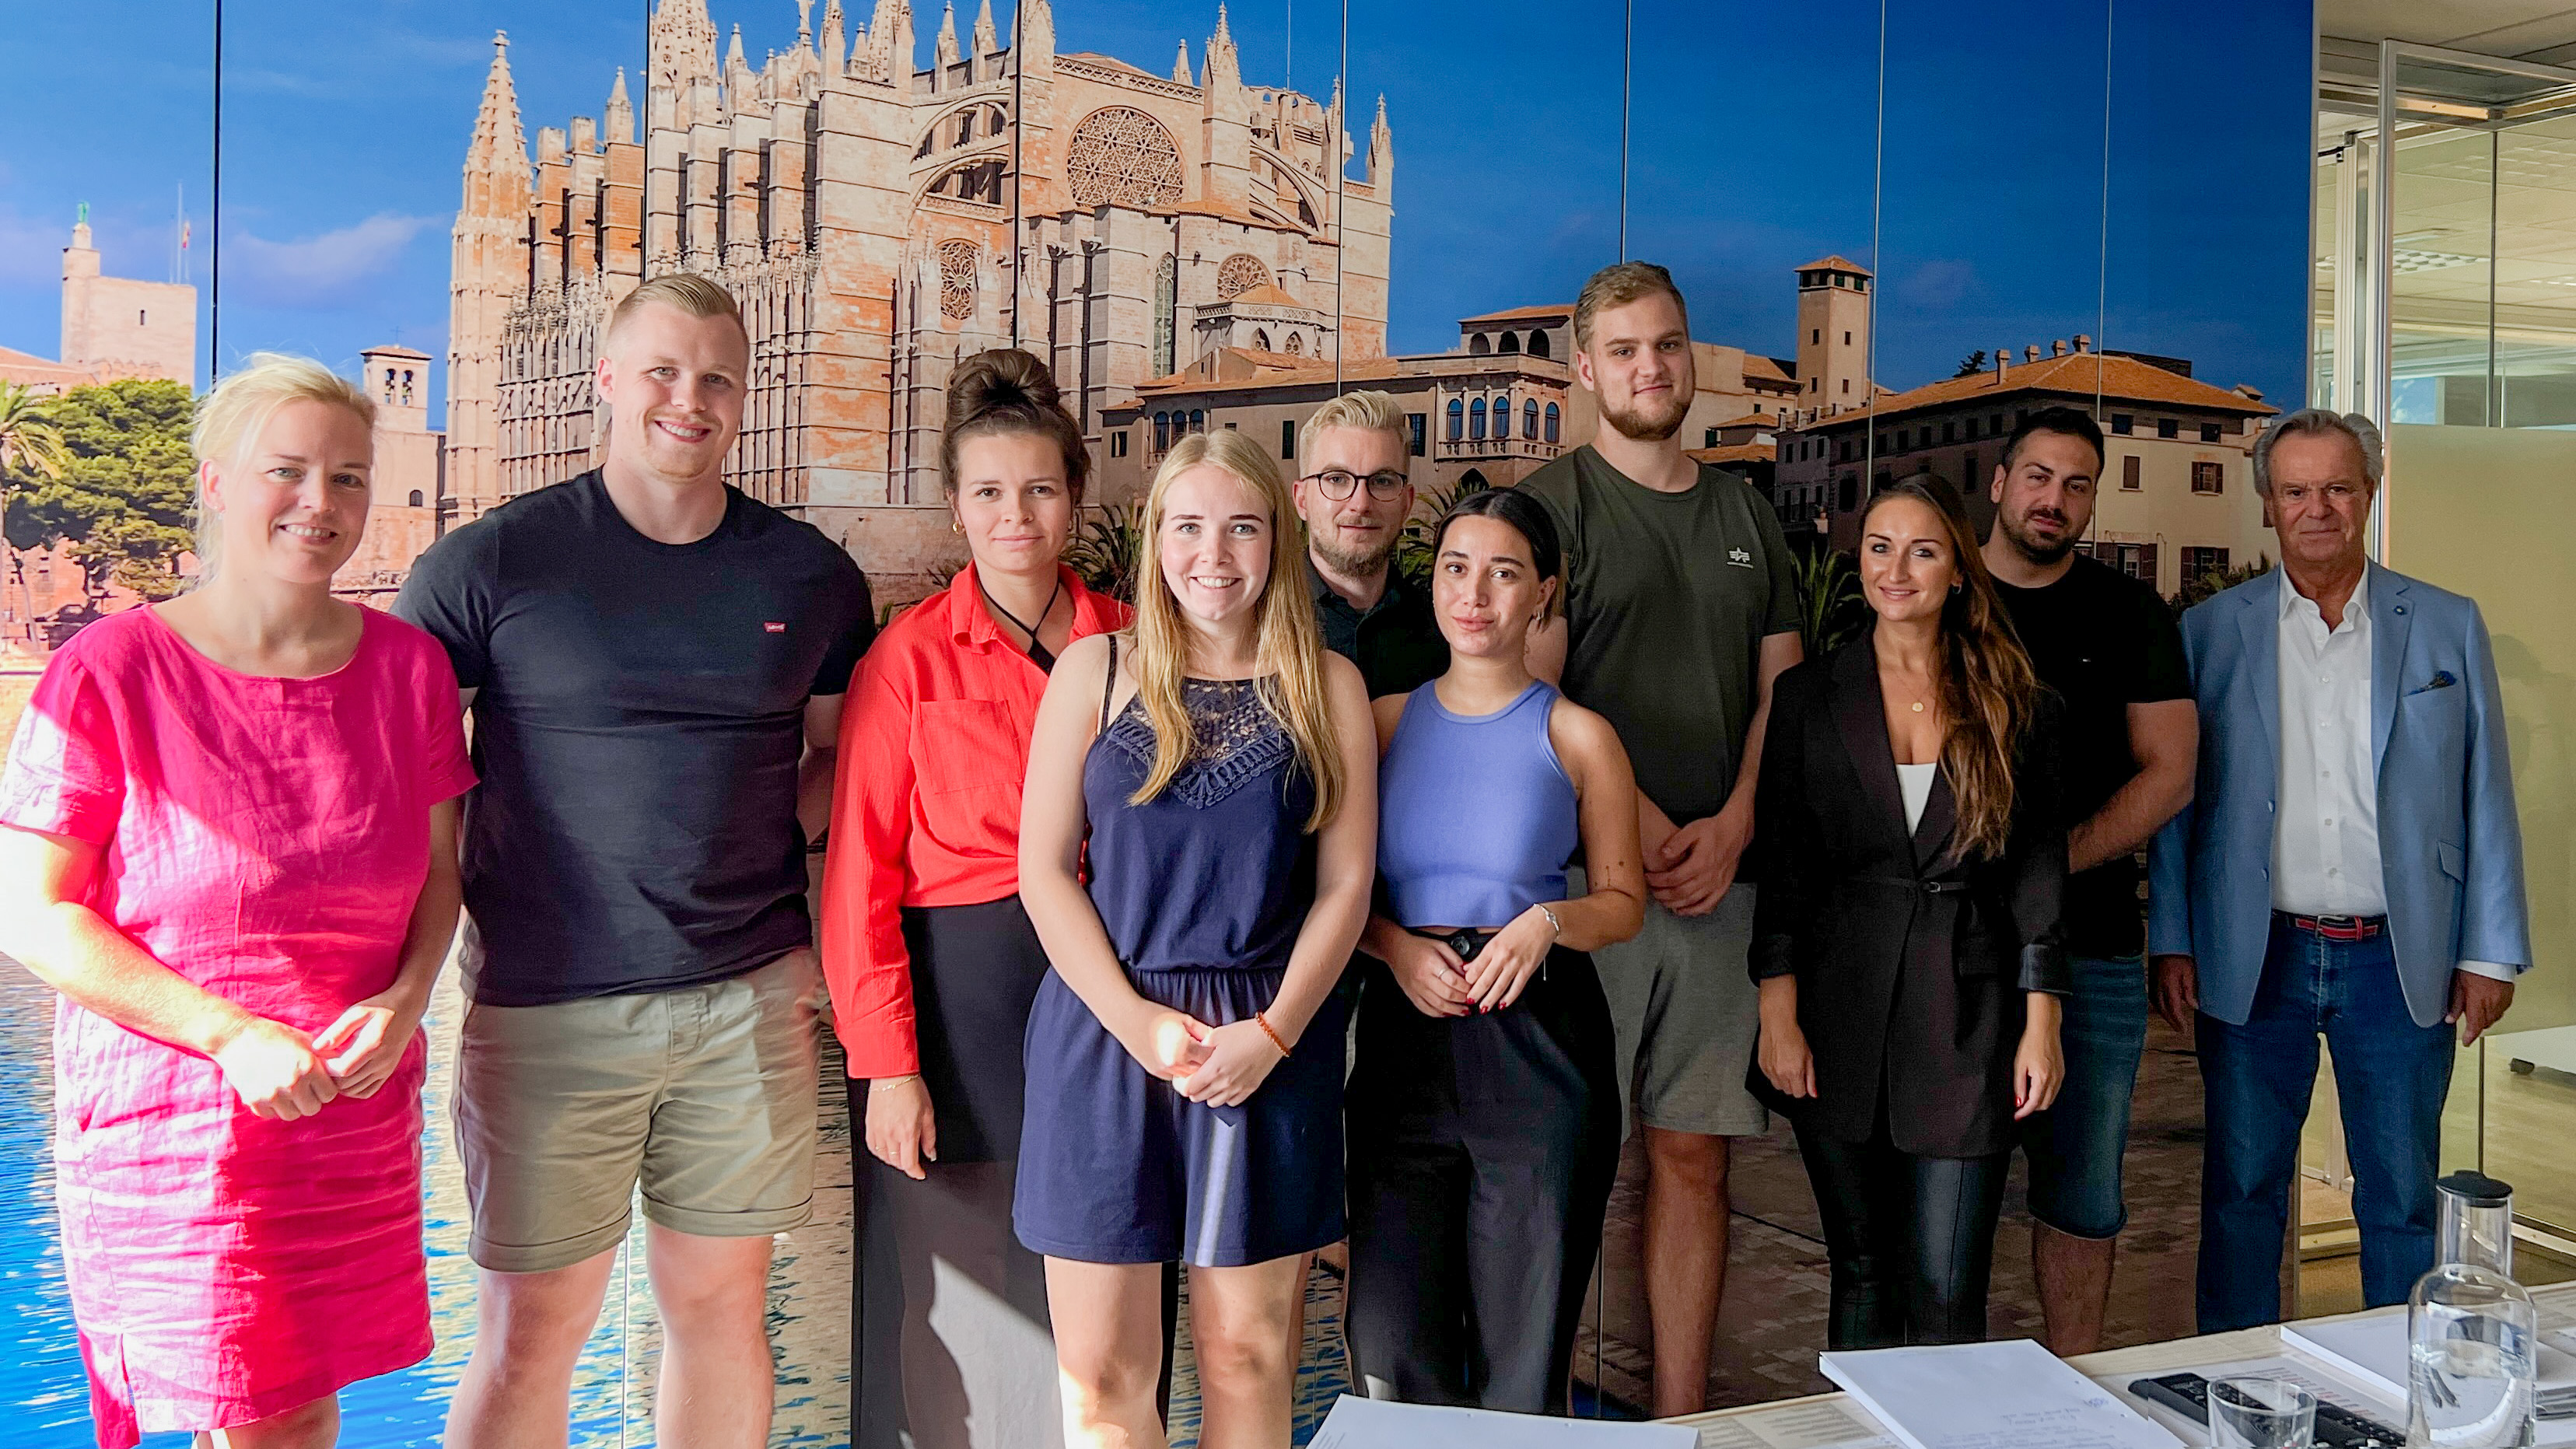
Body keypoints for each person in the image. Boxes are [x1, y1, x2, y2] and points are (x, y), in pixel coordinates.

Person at [395, 272, 877, 1448]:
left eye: (716, 376)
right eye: (663, 369)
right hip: (547, 1006)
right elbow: (411, 783)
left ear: (743, 396)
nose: (688, 397)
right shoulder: (486, 564)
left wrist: (773, 869)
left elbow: (830, 765)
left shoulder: (812, 576)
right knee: (531, 1327)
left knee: (720, 1312)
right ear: (607, 379)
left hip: (747, 1000)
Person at [0, 355, 474, 1449]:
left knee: (300, 1406)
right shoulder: (110, 671)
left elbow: (439, 877)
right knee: (264, 1413)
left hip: (346, 1114)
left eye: (349, 477)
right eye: (289, 471)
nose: (323, 504)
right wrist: (232, 1033)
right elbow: (33, 913)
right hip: (182, 1124)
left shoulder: (408, 671)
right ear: (216, 483)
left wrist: (406, 1002)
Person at [1013, 428, 1378, 1447]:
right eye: (1188, 526)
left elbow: (1346, 890)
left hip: (1267, 1044)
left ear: (1281, 534)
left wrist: (1273, 1033)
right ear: (1154, 537)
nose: (1212, 555)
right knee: (1103, 1381)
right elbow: (1042, 872)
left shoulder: (1328, 686)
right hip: (1106, 1034)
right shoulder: (1094, 669)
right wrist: (1135, 1024)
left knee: (1249, 1359)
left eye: (1242, 526)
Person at [2148, 409, 2529, 1333]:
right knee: (2242, 1195)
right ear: (2269, 506)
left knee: (2399, 1198)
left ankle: (2404, 1391)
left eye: (2337, 488)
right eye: (2296, 490)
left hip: (2399, 958)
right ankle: (2232, 1384)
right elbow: (2177, 801)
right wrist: (2173, 937)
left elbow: (2486, 790)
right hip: (2256, 954)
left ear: (2369, 491)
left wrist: (2491, 951)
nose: (2318, 507)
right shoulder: (2210, 632)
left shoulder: (2445, 624)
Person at [821, 349, 1130, 1449]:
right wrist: (888, 1064)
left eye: (1040, 488)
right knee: (956, 1300)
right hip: (961, 1004)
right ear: (956, 504)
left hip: (1113, 998)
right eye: (990, 492)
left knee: (1097, 1288)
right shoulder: (905, 659)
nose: (1017, 515)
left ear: (1076, 498)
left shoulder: (1141, 644)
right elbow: (857, 872)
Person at [1521, 260, 1804, 1417]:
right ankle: (1544, 1409)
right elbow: (1533, 697)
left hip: (1723, 888)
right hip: (1596, 891)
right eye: (1627, 350)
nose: (1653, 367)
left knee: (1696, 1156)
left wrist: (1736, 820)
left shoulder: (1744, 507)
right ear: (1587, 369)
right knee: (1570, 1166)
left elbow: (1783, 685)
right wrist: (1642, 830)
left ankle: (1680, 1420)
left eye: (1669, 345)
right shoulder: (1548, 505)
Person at [1344, 488, 1645, 1412]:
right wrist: (1393, 949)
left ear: (1543, 595)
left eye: (1504, 573)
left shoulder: (1579, 736)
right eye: (1456, 568)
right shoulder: (1381, 722)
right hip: (1406, 1045)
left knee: (1526, 1362)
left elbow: (1624, 903)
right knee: (1393, 1348)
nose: (1475, 594)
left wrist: (1547, 923)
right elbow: (1334, 892)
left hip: (1541, 1051)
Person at [1751, 474, 2068, 1349]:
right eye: (1880, 546)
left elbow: (2037, 878)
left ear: (1958, 571)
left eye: (1922, 550)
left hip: (1969, 1021)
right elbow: (1783, 868)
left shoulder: (2015, 701)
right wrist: (1777, 1015)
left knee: (1944, 1286)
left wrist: (2042, 1022)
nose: (1897, 568)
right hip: (1836, 1013)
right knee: (1860, 1272)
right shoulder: (1810, 697)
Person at [1978, 407, 2196, 1356]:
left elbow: (2171, 770)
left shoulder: (2129, 615)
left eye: (2076, 485)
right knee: (1943, 1193)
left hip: (2093, 947)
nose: (2053, 500)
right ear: (1998, 482)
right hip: (1949, 950)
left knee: (2083, 1195)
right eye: (2037, 477)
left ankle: (2076, 1396)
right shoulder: (1936, 600)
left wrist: (2050, 862)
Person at [1292, 389, 1447, 697]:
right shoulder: (1257, 621)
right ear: (1301, 500)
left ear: (1406, 503)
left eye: (1382, 481)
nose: (1360, 504)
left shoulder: (1445, 634)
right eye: (1336, 479)